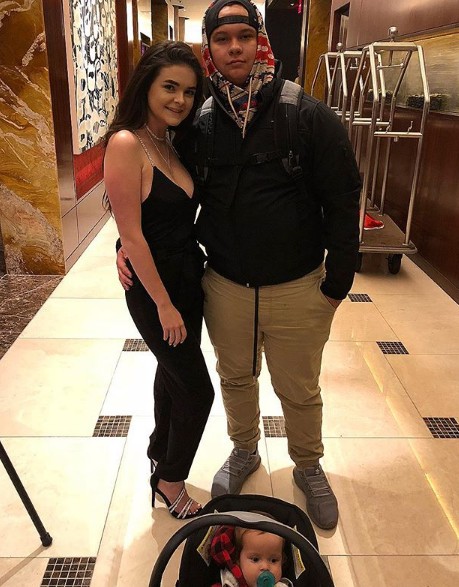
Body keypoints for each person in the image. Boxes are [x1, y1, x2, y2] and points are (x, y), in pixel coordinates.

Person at [117, 1, 361, 530]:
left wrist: (337, 282)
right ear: (210, 47)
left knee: (299, 387)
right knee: (235, 378)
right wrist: (126, 242)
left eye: (244, 36)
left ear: (259, 42)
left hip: (298, 285)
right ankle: (244, 448)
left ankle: (309, 465)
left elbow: (344, 199)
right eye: (222, 38)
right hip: (224, 283)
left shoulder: (307, 115)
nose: (234, 48)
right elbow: (161, 191)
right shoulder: (199, 123)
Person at [104, 40, 214, 520]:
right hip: (156, 290)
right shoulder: (126, 143)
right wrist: (163, 304)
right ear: (146, 84)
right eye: (170, 87)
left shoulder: (169, 141)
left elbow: (161, 219)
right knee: (198, 391)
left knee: (172, 374)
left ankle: (158, 451)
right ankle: (170, 479)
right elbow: (132, 233)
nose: (180, 100)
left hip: (188, 276)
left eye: (189, 92)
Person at [210, 525, 292, 587]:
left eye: (273, 560)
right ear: (238, 560)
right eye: (255, 559)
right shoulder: (229, 583)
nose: (265, 567)